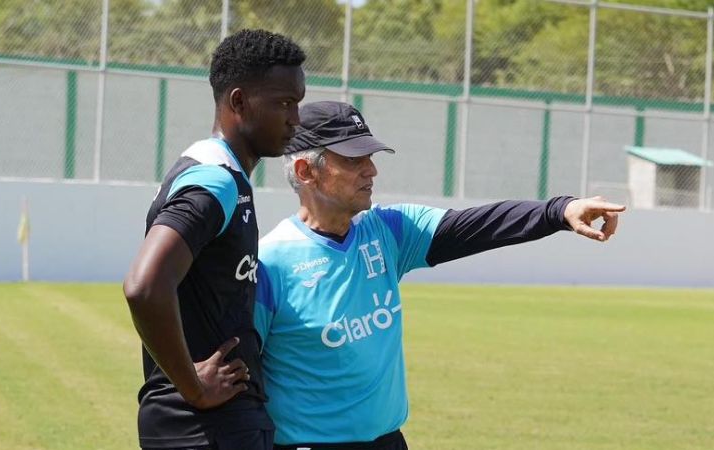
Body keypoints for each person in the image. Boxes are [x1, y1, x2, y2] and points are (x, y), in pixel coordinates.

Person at [254, 101, 625, 449]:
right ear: (306, 172)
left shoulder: (389, 231)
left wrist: (559, 211)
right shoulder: (271, 265)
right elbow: (241, 380)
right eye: (354, 160)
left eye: (369, 157)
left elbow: (479, 225)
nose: (371, 170)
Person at [123, 29, 305, 450]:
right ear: (238, 102)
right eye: (284, 103)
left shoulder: (216, 172)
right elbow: (145, 286)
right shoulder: (215, 182)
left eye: (298, 102)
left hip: (205, 424)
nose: (295, 118)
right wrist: (195, 388)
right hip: (208, 427)